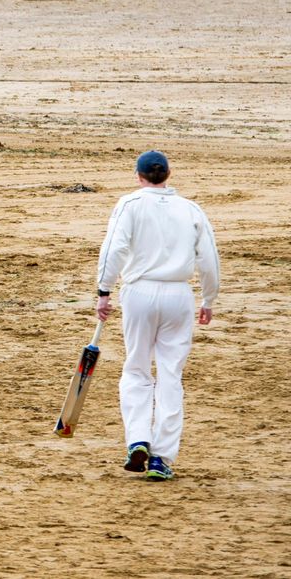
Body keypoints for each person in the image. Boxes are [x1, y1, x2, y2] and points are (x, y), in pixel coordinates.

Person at [95, 150, 220, 482]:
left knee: (136, 367)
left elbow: (114, 248)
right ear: (168, 174)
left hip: (139, 292)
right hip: (178, 294)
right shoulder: (190, 209)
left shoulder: (130, 204)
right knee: (170, 375)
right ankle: (161, 457)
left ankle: (138, 439)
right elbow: (208, 259)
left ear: (138, 176)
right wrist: (208, 298)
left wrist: (104, 291)